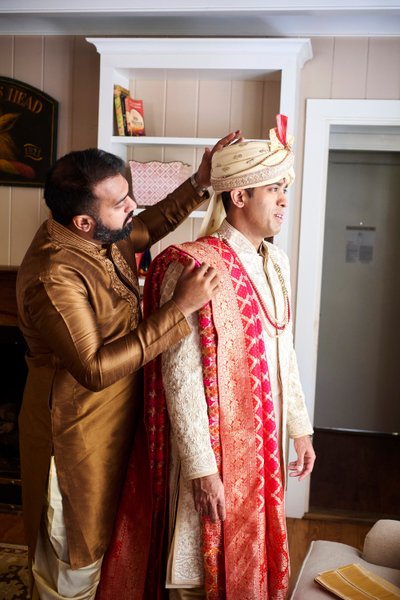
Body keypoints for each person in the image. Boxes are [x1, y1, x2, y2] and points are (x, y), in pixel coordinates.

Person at [97, 115, 315, 600]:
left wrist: (299, 428)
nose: (284, 199)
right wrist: (202, 469)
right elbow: (180, 377)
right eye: (273, 188)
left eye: (285, 188)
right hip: (213, 453)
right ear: (239, 197)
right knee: (199, 573)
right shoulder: (193, 265)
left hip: (264, 447)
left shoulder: (274, 262)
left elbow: (285, 350)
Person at [16, 132, 241, 600]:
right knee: (74, 561)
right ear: (83, 221)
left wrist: (199, 183)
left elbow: (141, 229)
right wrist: (179, 309)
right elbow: (95, 369)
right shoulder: (52, 275)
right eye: (122, 202)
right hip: (75, 435)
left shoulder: (103, 233)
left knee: (111, 548)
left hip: (117, 422)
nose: (133, 206)